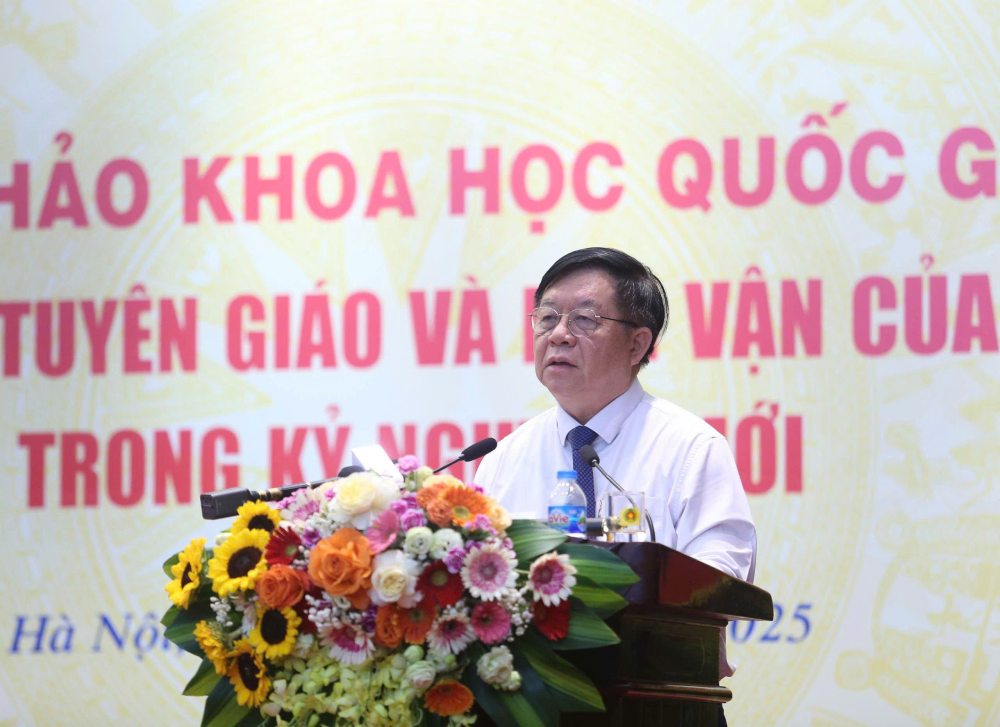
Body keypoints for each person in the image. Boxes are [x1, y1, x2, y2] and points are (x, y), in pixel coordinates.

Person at [473, 248, 755, 723]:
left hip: (658, 701)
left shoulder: (690, 446)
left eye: (584, 320)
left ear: (637, 344)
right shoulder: (504, 458)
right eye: (547, 317)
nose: (559, 335)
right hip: (530, 703)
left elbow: (720, 573)